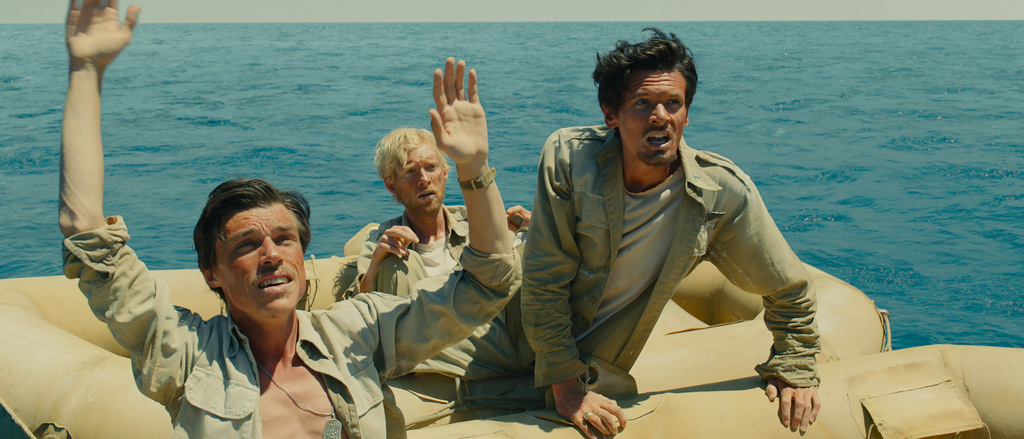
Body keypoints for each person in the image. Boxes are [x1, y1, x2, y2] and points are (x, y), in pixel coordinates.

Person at [58, 2, 518, 438]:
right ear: (211, 273)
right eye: (246, 244)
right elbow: (89, 235)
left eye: (285, 239)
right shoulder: (189, 355)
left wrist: (474, 167)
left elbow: (485, 285)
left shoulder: (357, 334)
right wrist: (85, 71)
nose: (271, 255)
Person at [520, 28, 822, 438]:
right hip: (513, 333)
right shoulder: (570, 159)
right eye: (642, 103)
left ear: (686, 114)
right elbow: (544, 279)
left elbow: (789, 287)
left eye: (673, 103)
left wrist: (795, 366)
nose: (660, 115)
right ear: (611, 114)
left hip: (596, 363)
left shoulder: (719, 193)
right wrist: (565, 386)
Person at [344, 128, 534, 381]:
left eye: (431, 167)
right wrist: (376, 263)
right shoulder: (382, 242)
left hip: (494, 347)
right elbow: (358, 316)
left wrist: (533, 234)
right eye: (410, 171)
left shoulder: (476, 227)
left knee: (528, 247)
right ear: (392, 186)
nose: (423, 179)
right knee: (393, 264)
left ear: (445, 173)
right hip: (420, 354)